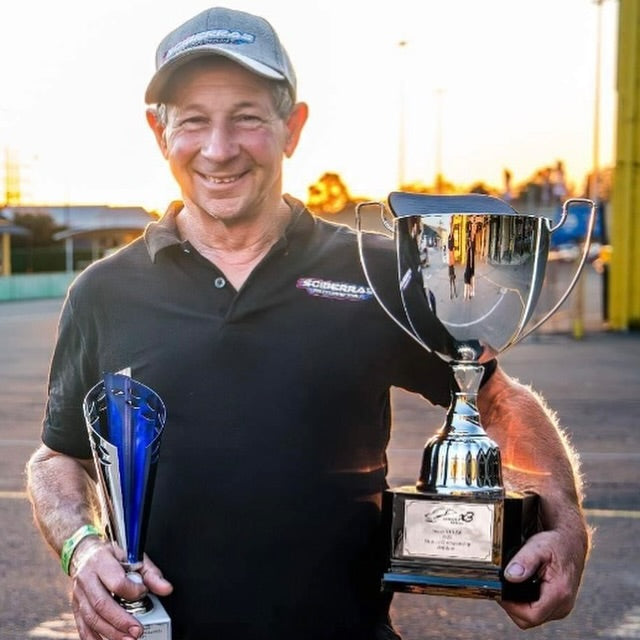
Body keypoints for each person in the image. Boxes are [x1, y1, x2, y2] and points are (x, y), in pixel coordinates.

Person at [26, 7, 590, 640]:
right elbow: (57, 457)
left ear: (292, 127)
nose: (219, 149)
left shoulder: (381, 272)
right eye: (193, 122)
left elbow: (491, 396)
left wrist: (564, 523)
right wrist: (81, 546)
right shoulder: (103, 292)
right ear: (160, 134)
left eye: (246, 117)